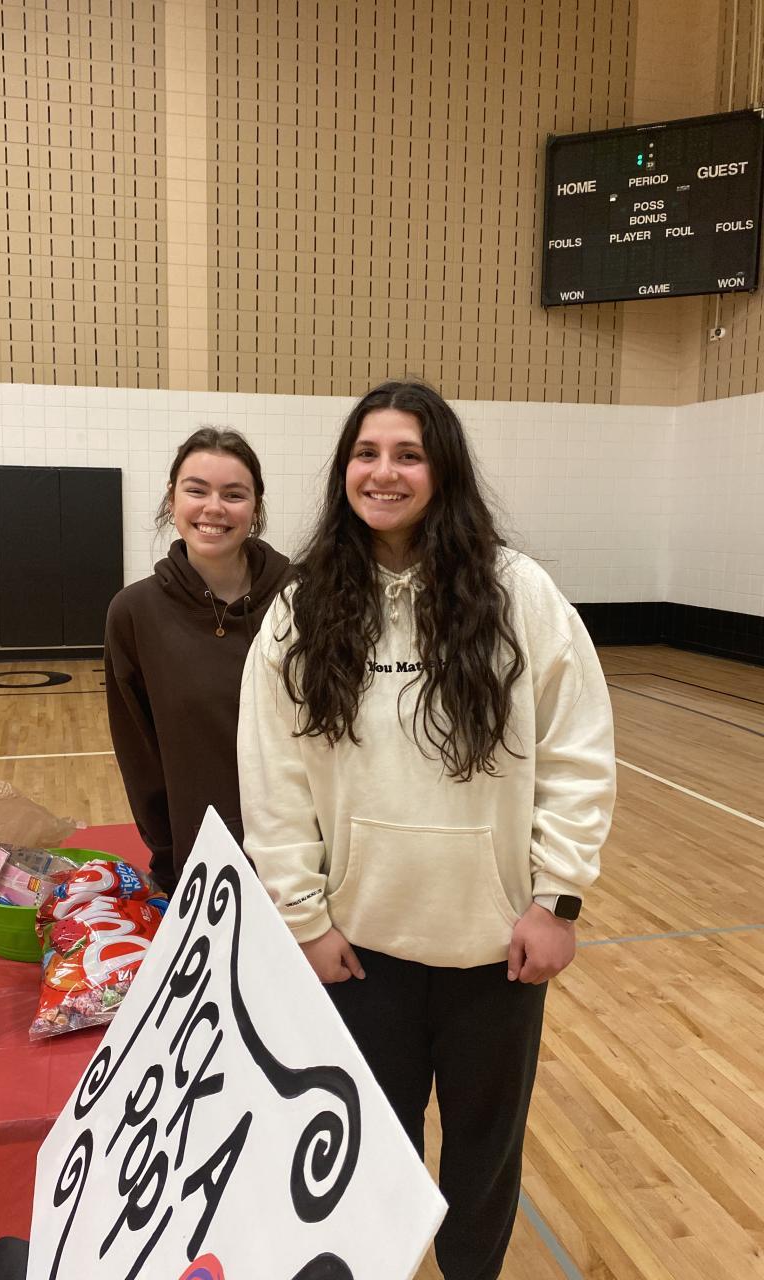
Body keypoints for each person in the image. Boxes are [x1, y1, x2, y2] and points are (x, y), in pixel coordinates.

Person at [237, 381, 615, 1280]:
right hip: (360, 950)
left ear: (442, 470)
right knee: (374, 1153)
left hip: (498, 950)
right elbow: (273, 775)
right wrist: (303, 919)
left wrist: (556, 901)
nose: (385, 472)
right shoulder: (302, 607)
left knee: (485, 1155)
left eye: (408, 454)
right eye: (367, 454)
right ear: (344, 471)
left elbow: (577, 751)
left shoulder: (518, 593)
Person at [105, 427, 290, 896]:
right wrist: (170, 860)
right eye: (197, 490)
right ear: (172, 499)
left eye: (234, 494)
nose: (214, 508)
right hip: (202, 865)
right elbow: (140, 756)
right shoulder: (134, 613)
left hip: (302, 860)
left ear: (256, 507)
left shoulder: (301, 597)